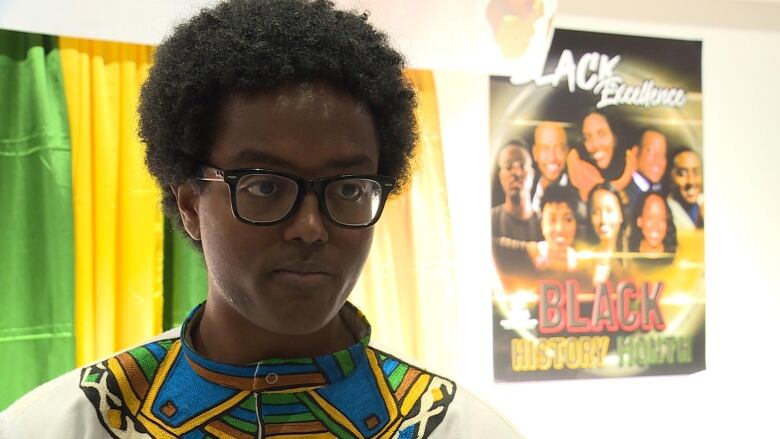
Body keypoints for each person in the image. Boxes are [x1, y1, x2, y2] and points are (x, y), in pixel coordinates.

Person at [0, 1, 522, 438]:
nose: (311, 227)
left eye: (348, 188)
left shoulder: (451, 427)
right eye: (265, 186)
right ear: (189, 205)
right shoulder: (69, 425)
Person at [491, 141, 542, 288]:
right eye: (508, 167)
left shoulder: (544, 225)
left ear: (532, 174)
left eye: (522, 166)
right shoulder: (488, 222)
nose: (516, 173)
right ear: (501, 176)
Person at [567, 109, 635, 200]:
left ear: (615, 138)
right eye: (587, 138)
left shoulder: (632, 171)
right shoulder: (575, 176)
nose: (595, 144)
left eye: (602, 134)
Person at [527, 184, 580, 273]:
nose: (560, 229)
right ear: (542, 225)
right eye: (552, 219)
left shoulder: (581, 264)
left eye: (568, 219)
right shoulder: (529, 257)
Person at [584, 183, 627, 284]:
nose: (603, 219)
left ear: (621, 215)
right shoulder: (583, 261)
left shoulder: (632, 257)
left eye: (609, 211)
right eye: (596, 212)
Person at [625, 129, 668, 217]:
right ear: (635, 152)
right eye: (651, 151)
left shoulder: (664, 195)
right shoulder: (625, 197)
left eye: (663, 154)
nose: (658, 160)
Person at [530, 121, 570, 215]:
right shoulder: (525, 191)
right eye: (545, 148)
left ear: (567, 152)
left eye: (559, 148)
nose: (552, 158)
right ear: (535, 153)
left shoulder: (579, 193)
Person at [628, 192, 677, 261]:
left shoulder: (677, 258)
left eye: (662, 219)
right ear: (639, 221)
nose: (656, 226)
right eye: (650, 218)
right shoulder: (626, 257)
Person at [667, 147, 704, 231]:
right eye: (682, 173)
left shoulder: (710, 204)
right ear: (671, 176)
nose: (691, 181)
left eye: (696, 172)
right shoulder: (664, 213)